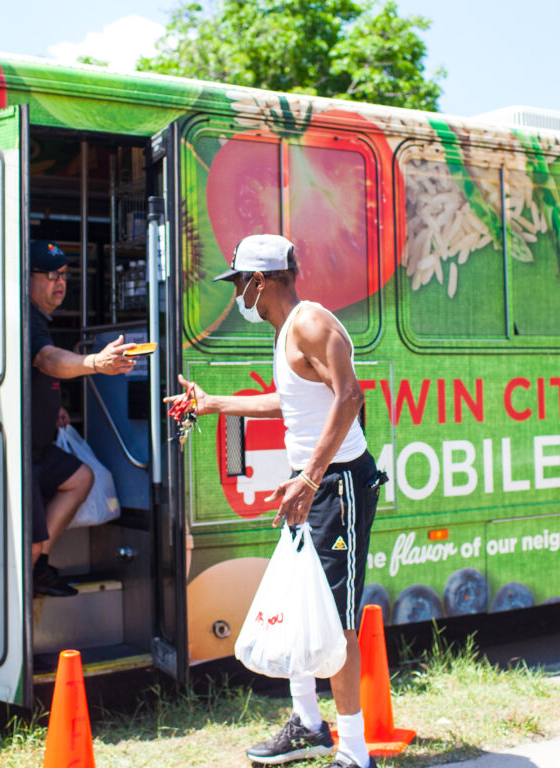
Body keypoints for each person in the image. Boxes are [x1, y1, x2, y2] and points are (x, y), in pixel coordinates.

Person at [165, 234, 385, 768]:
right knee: (300, 603)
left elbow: (350, 397)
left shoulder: (311, 323)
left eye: (239, 282)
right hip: (308, 483)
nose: (237, 292)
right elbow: (291, 400)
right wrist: (215, 404)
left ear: (260, 280)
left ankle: (354, 754)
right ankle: (309, 725)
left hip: (335, 487)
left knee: (336, 622)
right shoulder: (288, 330)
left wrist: (309, 479)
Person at [29, 240, 135, 596]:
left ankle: (38, 566)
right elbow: (45, 360)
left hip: (42, 448)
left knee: (80, 477)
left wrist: (50, 406)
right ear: (24, 277)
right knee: (29, 540)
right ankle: (24, 589)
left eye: (63, 275)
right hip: (24, 456)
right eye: (48, 274)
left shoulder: (39, 319)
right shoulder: (25, 317)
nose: (59, 283)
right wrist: (95, 364)